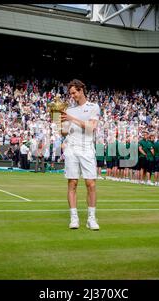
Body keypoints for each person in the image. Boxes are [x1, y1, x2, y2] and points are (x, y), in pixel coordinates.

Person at [61, 79, 100, 230]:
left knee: (91, 184)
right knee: (73, 183)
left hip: (87, 148)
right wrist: (58, 121)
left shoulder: (93, 107)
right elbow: (64, 131)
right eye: (70, 93)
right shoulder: (69, 110)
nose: (72, 96)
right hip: (71, 148)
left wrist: (71, 119)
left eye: (74, 93)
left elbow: (91, 127)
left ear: (81, 90)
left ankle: (91, 218)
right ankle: (74, 218)